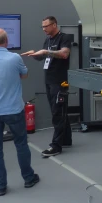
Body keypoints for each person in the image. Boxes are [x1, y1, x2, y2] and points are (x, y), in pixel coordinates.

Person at [0, 28, 40, 196]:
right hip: (13, 109)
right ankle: (28, 178)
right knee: (21, 144)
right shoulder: (15, 58)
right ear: (6, 41)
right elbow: (24, 75)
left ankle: (0, 186)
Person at [22, 16, 74, 158]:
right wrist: (35, 54)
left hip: (60, 81)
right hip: (49, 80)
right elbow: (43, 57)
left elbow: (64, 54)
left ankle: (56, 146)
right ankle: (66, 139)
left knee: (58, 112)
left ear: (54, 25)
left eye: (46, 26)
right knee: (59, 111)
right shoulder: (48, 40)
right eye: (42, 27)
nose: (44, 29)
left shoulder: (64, 38)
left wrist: (46, 52)